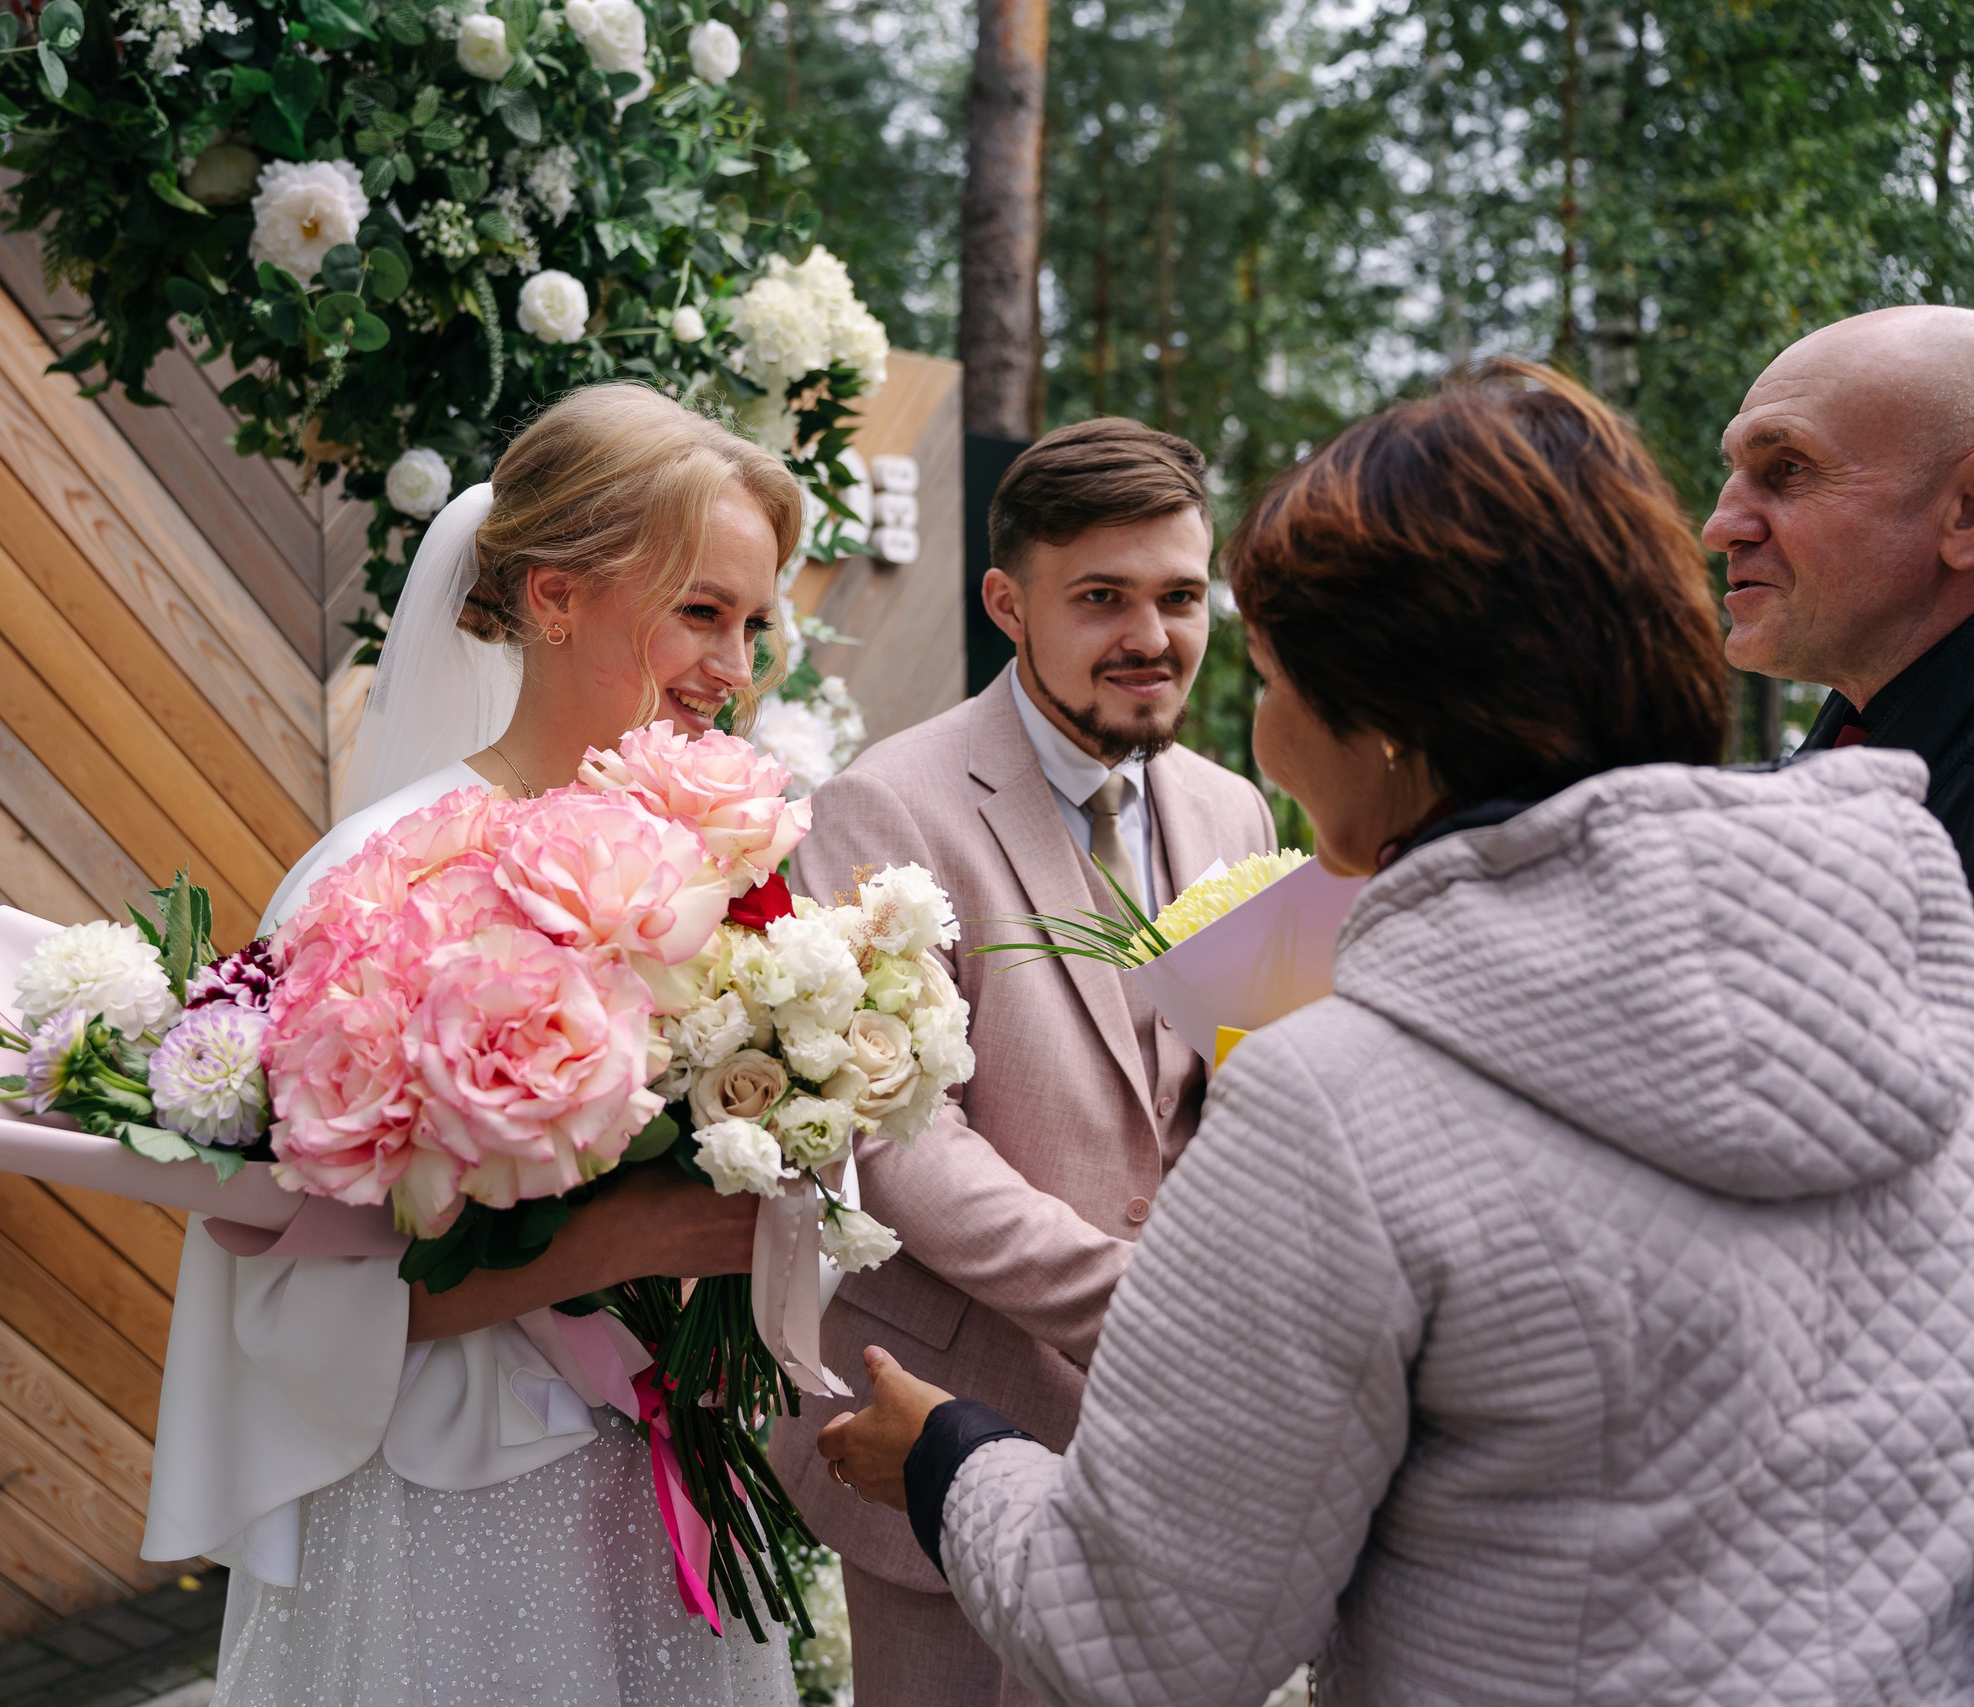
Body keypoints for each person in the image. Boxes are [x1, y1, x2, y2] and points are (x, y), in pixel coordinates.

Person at [818, 361, 1974, 1704]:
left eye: (1265, 670)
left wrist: (948, 1455)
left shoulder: (1341, 1093)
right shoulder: (1909, 961)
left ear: (1379, 723)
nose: (1253, 728)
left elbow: (1143, 1638)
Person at [147, 385, 804, 1707]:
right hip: (452, 1507)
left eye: (752, 622)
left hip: (665, 1489)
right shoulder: (373, 886)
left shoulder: (731, 878)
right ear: (554, 598)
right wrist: (625, 1243)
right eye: (699, 611)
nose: (733, 669)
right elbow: (289, 1292)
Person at [764, 418, 1275, 1706]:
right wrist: (1148, 1312)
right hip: (945, 1417)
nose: (1150, 637)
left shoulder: (1234, 808)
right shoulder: (885, 807)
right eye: (1100, 598)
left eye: (1176, 596)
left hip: (1187, 1443)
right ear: (1007, 602)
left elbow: (1245, 1089)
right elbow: (895, 1137)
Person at [1705, 304, 1974, 880]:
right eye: (1734, 471)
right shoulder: (1868, 743)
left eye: (1790, 469)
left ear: (1966, 515)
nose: (1720, 528)